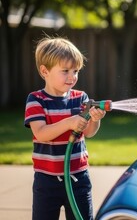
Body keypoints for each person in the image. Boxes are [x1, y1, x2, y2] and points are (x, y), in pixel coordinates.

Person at [24, 36, 106, 220]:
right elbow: (41, 133)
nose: (72, 77)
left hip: (78, 177)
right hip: (47, 181)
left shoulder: (80, 98)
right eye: (65, 71)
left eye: (76, 71)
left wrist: (95, 119)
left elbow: (89, 133)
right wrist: (69, 123)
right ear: (45, 71)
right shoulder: (36, 100)